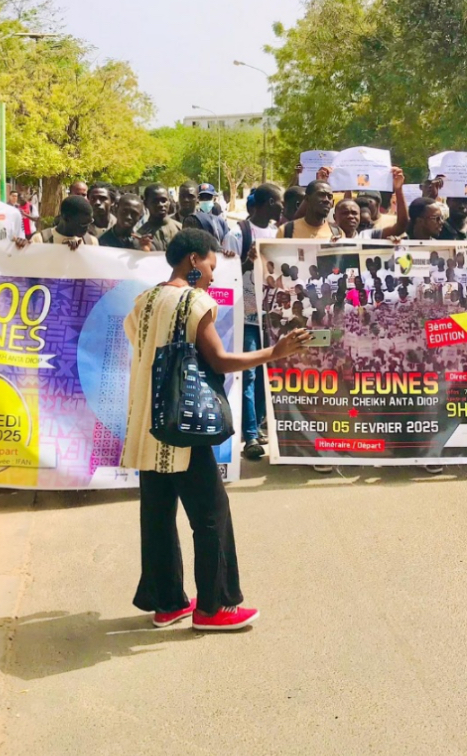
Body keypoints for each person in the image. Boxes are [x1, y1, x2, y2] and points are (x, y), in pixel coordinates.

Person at [123, 228, 308, 630]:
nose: (211, 275)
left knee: (157, 516)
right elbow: (220, 360)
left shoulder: (145, 300)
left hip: (146, 422)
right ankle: (214, 607)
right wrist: (275, 352)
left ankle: (167, 602)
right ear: (193, 260)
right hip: (182, 423)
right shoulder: (195, 301)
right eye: (210, 265)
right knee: (211, 514)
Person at [236, 184, 284, 460]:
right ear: (269, 203)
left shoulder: (280, 233)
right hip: (248, 316)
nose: (282, 207)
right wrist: (246, 261)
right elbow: (226, 272)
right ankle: (250, 434)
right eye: (279, 201)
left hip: (274, 317)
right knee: (250, 373)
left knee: (268, 372)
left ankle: (261, 424)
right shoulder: (239, 232)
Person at [31, 195, 98, 248]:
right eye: (83, 224)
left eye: (90, 222)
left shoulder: (91, 242)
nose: (87, 227)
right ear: (66, 218)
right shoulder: (40, 240)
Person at [137, 185, 182, 251]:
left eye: (164, 201)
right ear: (146, 203)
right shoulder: (140, 235)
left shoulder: (180, 229)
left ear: (169, 202)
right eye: (155, 201)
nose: (161, 205)